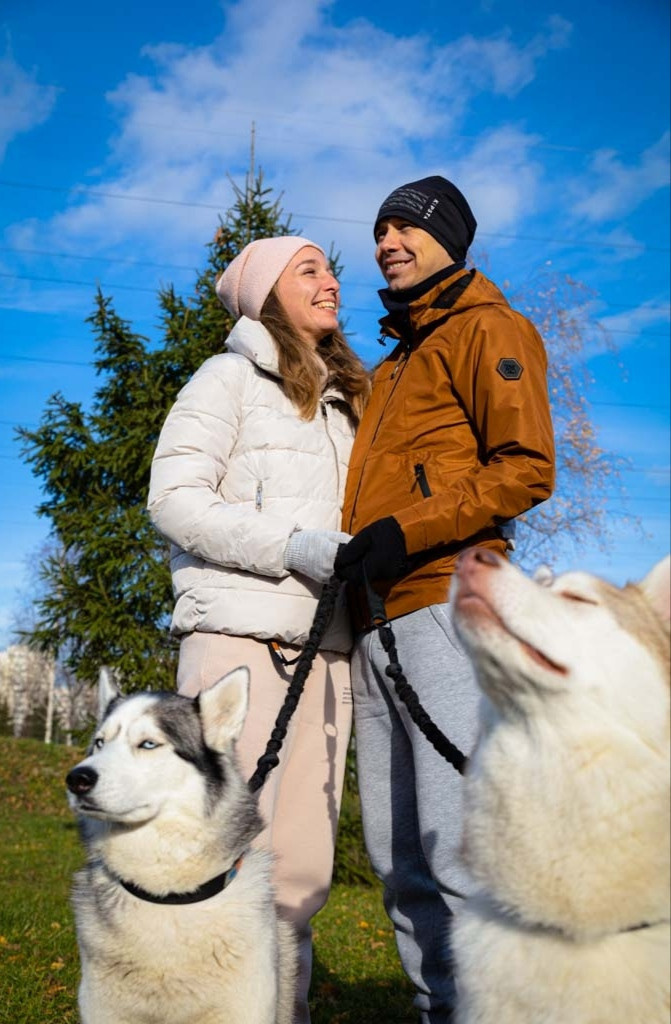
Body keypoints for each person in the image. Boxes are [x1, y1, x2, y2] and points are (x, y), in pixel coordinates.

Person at [334, 176, 556, 1022]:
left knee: (458, 848)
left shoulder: (487, 328)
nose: (386, 242)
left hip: (442, 604)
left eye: (405, 228)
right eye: (379, 230)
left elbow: (524, 468)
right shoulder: (394, 361)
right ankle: (442, 1009)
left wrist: (406, 529)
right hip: (374, 620)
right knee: (398, 858)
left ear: (448, 239)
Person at [147, 235, 370, 1024]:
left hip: (327, 656)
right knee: (219, 856)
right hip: (238, 649)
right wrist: (290, 546)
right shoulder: (227, 378)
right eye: (308, 270)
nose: (330, 280)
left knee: (300, 871)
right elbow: (174, 500)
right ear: (266, 293)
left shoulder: (348, 401)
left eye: (329, 268)